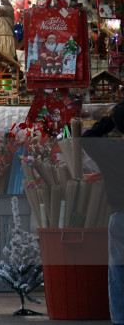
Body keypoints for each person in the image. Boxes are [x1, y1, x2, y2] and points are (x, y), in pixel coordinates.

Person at [82, 101, 124, 325]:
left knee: (118, 275)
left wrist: (110, 119)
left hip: (120, 217)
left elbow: (87, 138)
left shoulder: (111, 151)